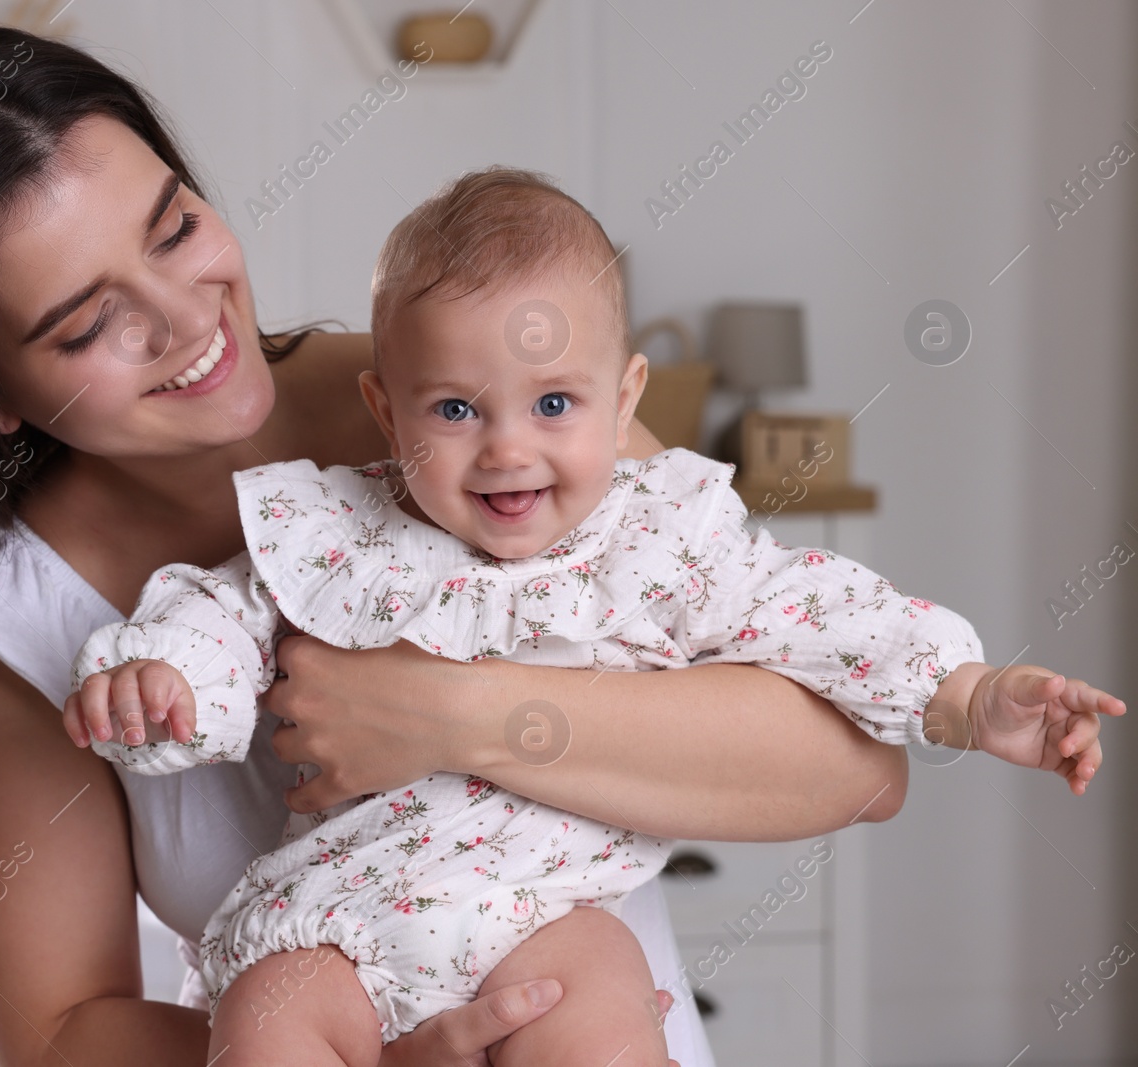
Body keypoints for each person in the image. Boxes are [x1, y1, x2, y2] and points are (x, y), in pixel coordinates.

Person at [0, 26, 1061, 1067]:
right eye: (85, 323)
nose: (187, 320)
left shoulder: (474, 414)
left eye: (176, 226)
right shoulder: (20, 616)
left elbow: (851, 761)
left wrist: (451, 710)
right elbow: (68, 1032)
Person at [64, 168, 1122, 1066]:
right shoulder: (334, 526)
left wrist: (972, 695)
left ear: (625, 400)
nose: (508, 448)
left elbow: (830, 615)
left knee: (605, 1015)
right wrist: (166, 682)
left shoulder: (661, 542)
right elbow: (220, 611)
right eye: (456, 409)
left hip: (547, 914)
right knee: (262, 1020)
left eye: (554, 404)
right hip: (337, 914)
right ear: (388, 409)